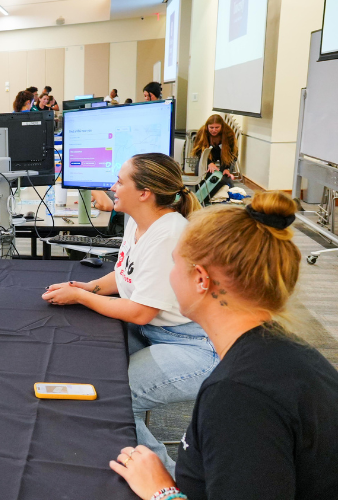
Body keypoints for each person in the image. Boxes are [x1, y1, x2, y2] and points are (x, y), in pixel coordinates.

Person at [110, 191, 338, 500]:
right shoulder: (283, 351)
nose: (170, 276)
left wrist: (161, 492)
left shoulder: (238, 395)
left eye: (174, 265)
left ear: (201, 279)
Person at [42, 153, 214, 473]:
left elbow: (139, 312)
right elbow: (126, 274)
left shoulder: (169, 235)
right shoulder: (138, 220)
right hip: (158, 331)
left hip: (195, 346)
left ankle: (165, 477)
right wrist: (92, 287)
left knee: (114, 397)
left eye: (120, 182)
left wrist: (80, 296)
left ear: (144, 193)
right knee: (90, 366)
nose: (112, 187)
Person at [191, 114, 237, 181]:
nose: (214, 130)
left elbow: (231, 153)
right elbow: (198, 151)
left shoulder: (228, 133)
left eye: (217, 127)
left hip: (224, 153)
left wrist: (226, 168)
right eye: (211, 127)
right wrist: (209, 163)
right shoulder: (202, 132)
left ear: (222, 126)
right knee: (200, 171)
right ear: (207, 127)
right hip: (208, 153)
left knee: (224, 176)